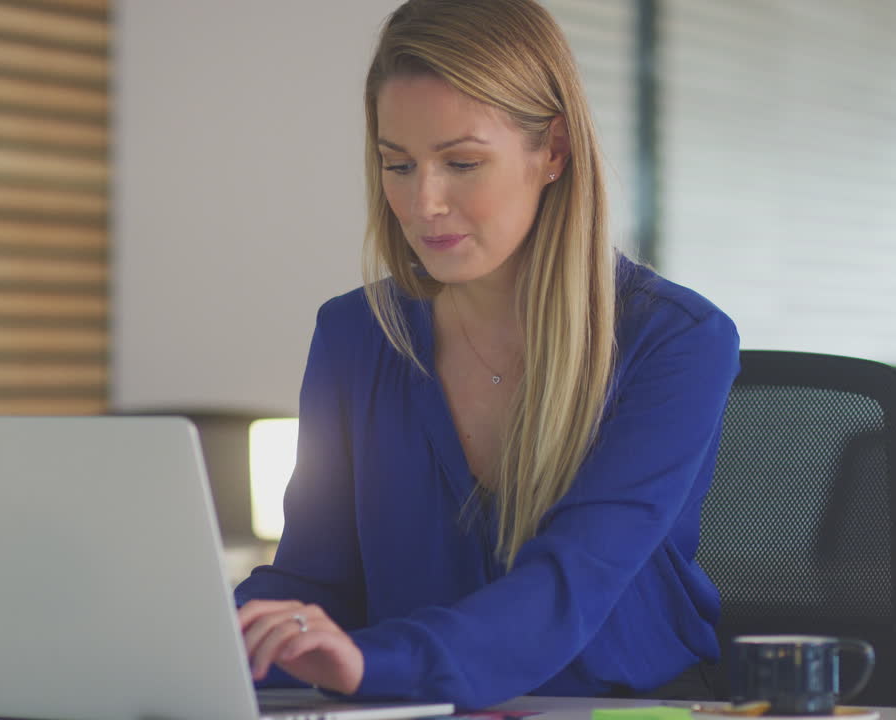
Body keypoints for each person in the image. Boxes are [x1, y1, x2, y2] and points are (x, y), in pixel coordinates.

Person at [234, 0, 739, 709]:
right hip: (412, 704)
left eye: (461, 162)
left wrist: (369, 662)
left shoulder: (678, 341)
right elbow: (315, 580)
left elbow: (567, 588)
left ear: (554, 151)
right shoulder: (356, 335)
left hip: (613, 706)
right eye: (397, 164)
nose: (423, 202)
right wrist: (216, 637)